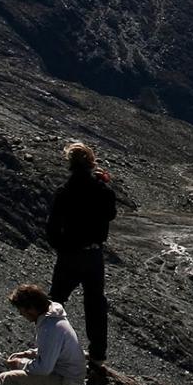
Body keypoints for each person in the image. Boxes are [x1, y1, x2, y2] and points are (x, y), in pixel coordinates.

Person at [46, 141, 117, 365]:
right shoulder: (101, 190)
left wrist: (61, 247)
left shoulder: (64, 191)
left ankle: (49, 350)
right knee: (95, 303)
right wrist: (104, 185)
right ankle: (97, 356)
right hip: (94, 255)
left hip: (69, 255)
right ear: (91, 162)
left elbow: (52, 227)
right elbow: (111, 214)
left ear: (70, 164)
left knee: (55, 302)